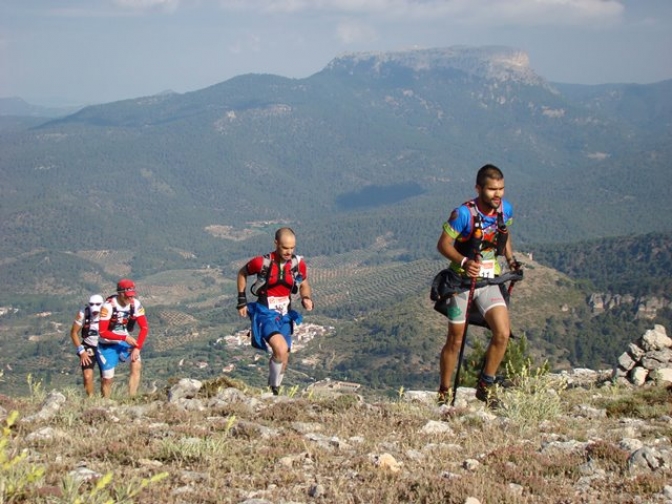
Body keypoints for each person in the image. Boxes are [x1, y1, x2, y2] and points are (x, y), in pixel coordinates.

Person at [436, 164, 521, 406]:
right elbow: (443, 245)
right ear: (479, 188)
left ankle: (485, 385)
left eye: (501, 189)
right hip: (460, 284)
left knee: (503, 333)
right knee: (455, 339)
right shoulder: (463, 214)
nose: (498, 194)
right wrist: (463, 261)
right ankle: (444, 390)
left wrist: (511, 260)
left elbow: (503, 237)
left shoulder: (505, 210)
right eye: (492, 189)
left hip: (489, 281)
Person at [236, 227, 313, 395]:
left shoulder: (297, 264)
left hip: (285, 315)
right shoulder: (261, 263)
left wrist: (306, 298)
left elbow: (304, 284)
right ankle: (274, 390)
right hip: (265, 313)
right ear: (276, 243)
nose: (289, 252)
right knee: (280, 347)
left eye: (292, 248)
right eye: (285, 248)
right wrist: (241, 300)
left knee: (283, 356)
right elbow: (242, 273)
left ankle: (273, 387)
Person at [96, 279, 149, 398]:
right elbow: (103, 332)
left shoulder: (135, 304)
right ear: (120, 293)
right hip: (107, 344)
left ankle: (132, 397)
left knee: (136, 364)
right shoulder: (108, 307)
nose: (130, 299)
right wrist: (124, 337)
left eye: (132, 296)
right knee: (108, 379)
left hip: (124, 341)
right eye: (127, 296)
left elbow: (144, 328)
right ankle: (106, 402)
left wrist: (137, 348)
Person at [69, 294, 104, 397]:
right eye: (92, 305)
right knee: (87, 376)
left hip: (104, 346)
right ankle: (91, 399)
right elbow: (73, 332)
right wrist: (81, 351)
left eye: (97, 305)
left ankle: (105, 399)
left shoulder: (108, 312)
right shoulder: (83, 313)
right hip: (88, 346)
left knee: (105, 377)